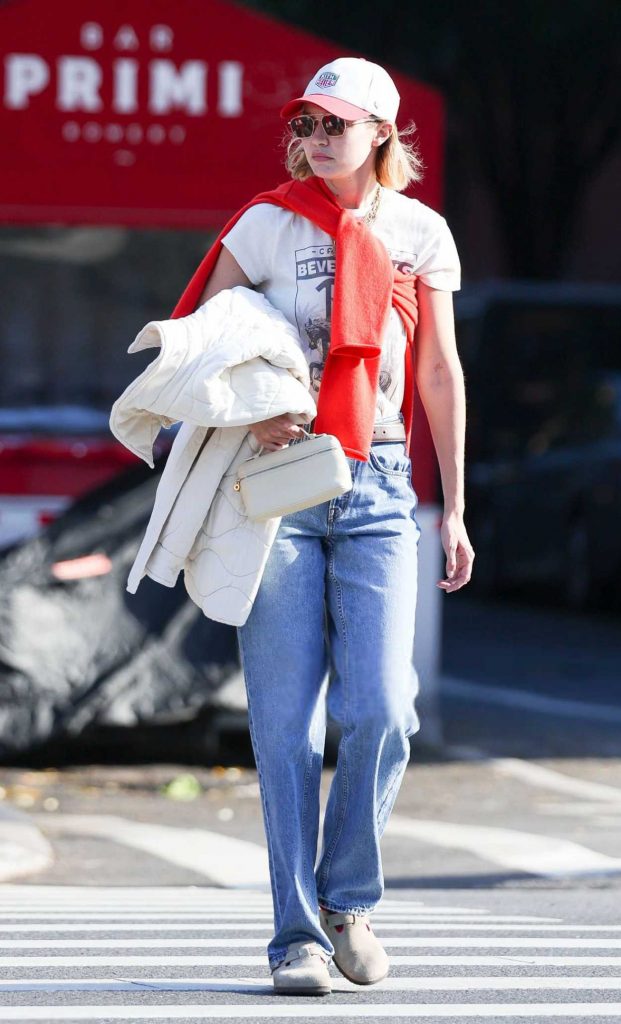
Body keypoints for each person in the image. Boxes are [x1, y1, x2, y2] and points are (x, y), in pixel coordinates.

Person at [196, 56, 475, 996]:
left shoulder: (419, 233)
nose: (317, 141)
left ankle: (348, 898)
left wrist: (457, 507)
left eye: (336, 126)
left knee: (383, 709)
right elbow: (204, 339)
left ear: (381, 136)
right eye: (307, 125)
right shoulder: (265, 223)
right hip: (273, 481)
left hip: (381, 483)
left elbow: (438, 371)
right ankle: (296, 939)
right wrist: (252, 409)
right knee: (284, 726)